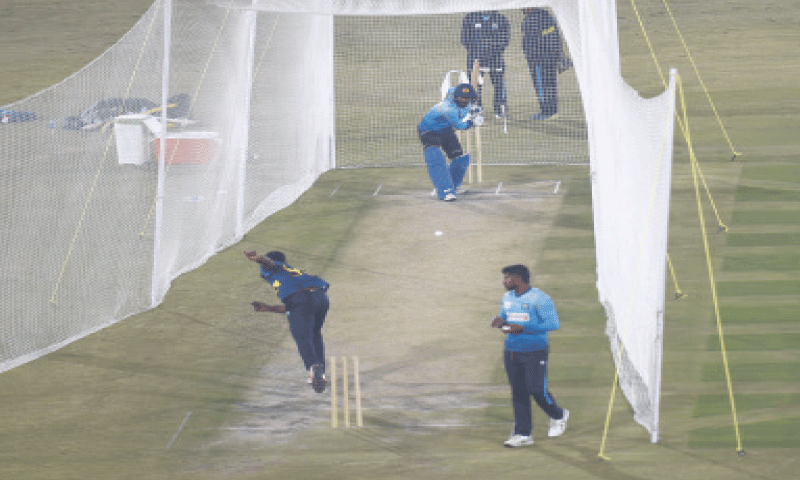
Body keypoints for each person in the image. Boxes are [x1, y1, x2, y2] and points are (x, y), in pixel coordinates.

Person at [490, 264, 569, 447]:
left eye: (507, 277)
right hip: (511, 350)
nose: (504, 281)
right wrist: (500, 321)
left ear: (518, 278)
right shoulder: (507, 297)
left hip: (535, 351)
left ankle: (558, 414)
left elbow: (553, 324)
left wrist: (523, 328)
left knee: (536, 389)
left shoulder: (540, 298)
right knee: (518, 392)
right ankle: (523, 434)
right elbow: (506, 316)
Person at [245, 249, 330, 393]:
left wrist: (259, 258)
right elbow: (296, 307)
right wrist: (269, 308)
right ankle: (320, 374)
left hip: (301, 299)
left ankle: (313, 367)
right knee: (314, 334)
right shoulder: (293, 271)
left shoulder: (273, 267)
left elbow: (269, 264)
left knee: (301, 337)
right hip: (320, 298)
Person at [418, 83, 483, 201]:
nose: (464, 100)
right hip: (428, 129)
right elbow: (460, 126)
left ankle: (453, 186)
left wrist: (477, 110)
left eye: (467, 98)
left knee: (459, 158)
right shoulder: (449, 109)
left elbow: (464, 96)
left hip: (445, 129)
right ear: (456, 97)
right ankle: (445, 191)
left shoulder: (460, 95)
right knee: (435, 155)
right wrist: (473, 122)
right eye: (462, 97)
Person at [461, 10, 510, 118]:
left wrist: (493, 52)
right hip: (475, 59)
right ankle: (476, 109)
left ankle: (501, 109)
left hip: (495, 59)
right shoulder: (470, 17)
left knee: (499, 84)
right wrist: (477, 53)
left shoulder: (501, 18)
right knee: (474, 85)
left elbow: (505, 39)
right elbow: (465, 39)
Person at [521, 7, 563, 121]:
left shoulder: (532, 19)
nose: (521, 9)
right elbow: (554, 35)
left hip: (538, 59)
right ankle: (553, 111)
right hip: (549, 57)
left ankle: (546, 112)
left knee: (542, 85)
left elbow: (534, 40)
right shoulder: (545, 15)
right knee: (550, 84)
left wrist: (531, 54)